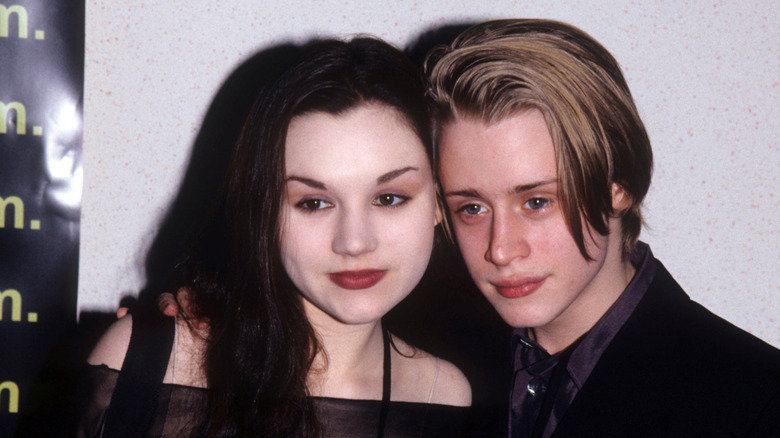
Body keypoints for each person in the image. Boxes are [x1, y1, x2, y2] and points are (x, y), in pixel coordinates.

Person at [80, 37, 471, 437]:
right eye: (314, 203)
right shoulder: (146, 359)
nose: (354, 242)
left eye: (389, 198)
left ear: (439, 203)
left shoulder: (442, 395)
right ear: (263, 211)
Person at [425, 19, 780, 437]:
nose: (500, 250)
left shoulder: (756, 401)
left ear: (619, 187)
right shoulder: (428, 373)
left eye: (537, 202)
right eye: (472, 208)